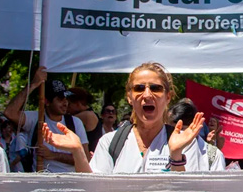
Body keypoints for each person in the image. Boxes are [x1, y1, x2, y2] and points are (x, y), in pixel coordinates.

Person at [41, 62, 213, 173]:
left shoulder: (187, 143)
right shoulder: (110, 142)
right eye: (139, 88)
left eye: (156, 88)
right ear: (129, 97)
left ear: (168, 97)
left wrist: (176, 154)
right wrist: (78, 152)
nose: (147, 94)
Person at [3, 67, 88, 173]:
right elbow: (9, 112)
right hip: (40, 182)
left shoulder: (75, 123)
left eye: (66, 98)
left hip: (69, 182)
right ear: (47, 102)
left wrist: (53, 155)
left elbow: (86, 158)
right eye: (60, 99)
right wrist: (33, 85)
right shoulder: (36, 119)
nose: (65, 103)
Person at [68, 87, 104, 152]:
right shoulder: (90, 113)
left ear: (78, 104)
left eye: (69, 104)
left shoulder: (86, 115)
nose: (67, 107)